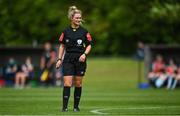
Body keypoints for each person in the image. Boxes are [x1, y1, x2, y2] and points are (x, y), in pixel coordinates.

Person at [56, 6, 92, 112]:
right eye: (77, 18)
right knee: (67, 83)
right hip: (68, 60)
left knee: (78, 83)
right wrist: (59, 59)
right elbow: (62, 46)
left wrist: (84, 54)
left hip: (80, 60)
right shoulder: (65, 31)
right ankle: (64, 108)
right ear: (71, 18)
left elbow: (89, 45)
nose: (79, 20)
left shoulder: (84, 32)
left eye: (80, 18)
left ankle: (76, 107)